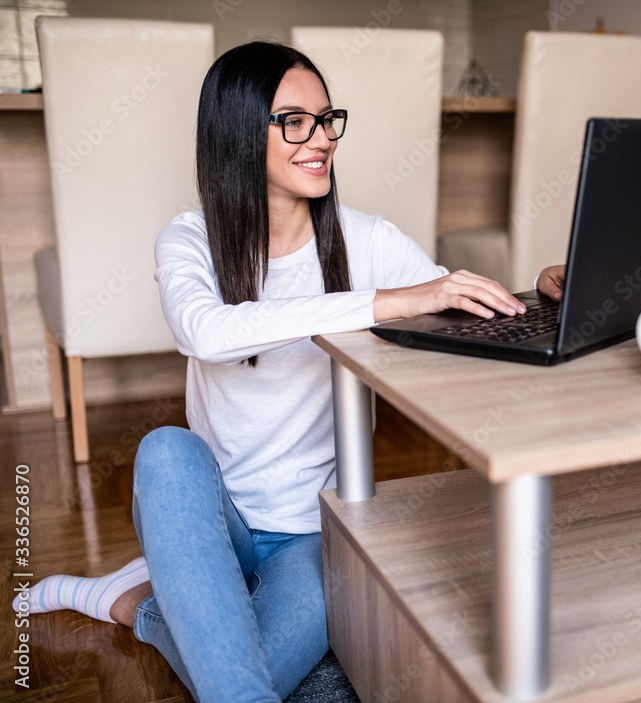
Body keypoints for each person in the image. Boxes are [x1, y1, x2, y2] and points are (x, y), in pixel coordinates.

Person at [15, 41, 565, 702]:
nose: (321, 138)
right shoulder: (190, 239)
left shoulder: (368, 240)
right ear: (240, 135)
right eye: (294, 121)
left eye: (326, 118)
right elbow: (205, 331)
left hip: (311, 533)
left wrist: (535, 288)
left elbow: (455, 307)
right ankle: (186, 584)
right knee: (165, 451)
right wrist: (383, 301)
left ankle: (138, 601)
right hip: (212, 516)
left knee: (250, 675)